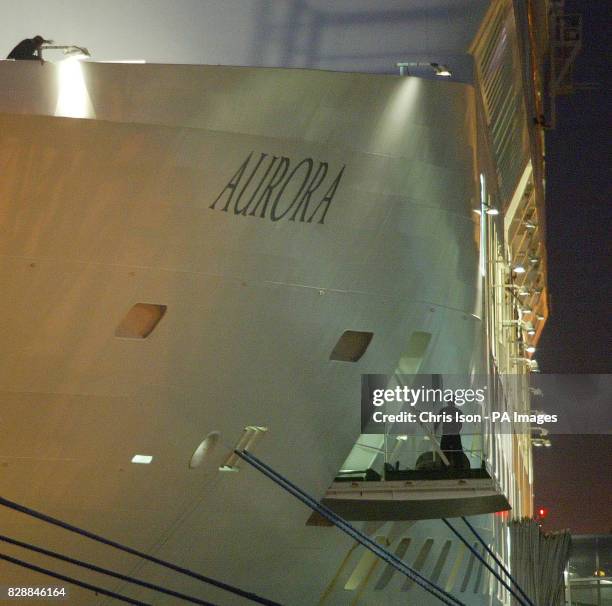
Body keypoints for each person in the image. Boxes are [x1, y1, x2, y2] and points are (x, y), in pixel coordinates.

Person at [434, 399, 465, 467]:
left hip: (446, 435)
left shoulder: (443, 410)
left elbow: (437, 422)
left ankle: (444, 469)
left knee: (444, 454)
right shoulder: (458, 411)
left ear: (448, 402)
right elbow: (460, 425)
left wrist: (434, 431)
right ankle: (458, 469)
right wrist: (455, 431)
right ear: (454, 401)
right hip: (455, 435)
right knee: (457, 455)